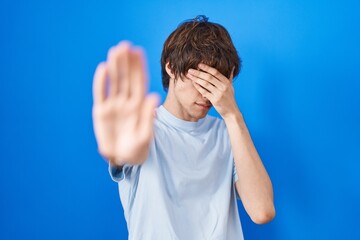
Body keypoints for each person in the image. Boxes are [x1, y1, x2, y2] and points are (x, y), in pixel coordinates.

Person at [92, 15, 275, 240]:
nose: (207, 94)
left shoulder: (230, 133)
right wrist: (122, 152)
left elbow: (262, 211)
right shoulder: (142, 128)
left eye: (216, 84)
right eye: (200, 80)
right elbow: (126, 152)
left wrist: (232, 114)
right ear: (170, 66)